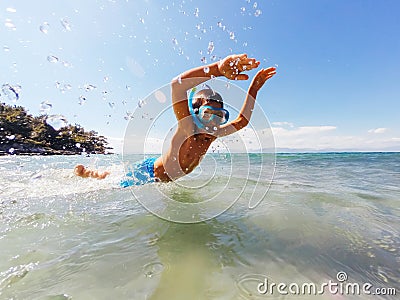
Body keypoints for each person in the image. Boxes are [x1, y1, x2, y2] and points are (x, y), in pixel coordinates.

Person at [74, 54, 276, 186]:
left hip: (161, 177)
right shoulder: (188, 127)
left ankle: (93, 173)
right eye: (207, 114)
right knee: (112, 184)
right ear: (195, 114)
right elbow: (177, 86)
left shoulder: (212, 135)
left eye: (220, 116)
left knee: (112, 178)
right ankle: (88, 173)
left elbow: (242, 121)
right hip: (148, 174)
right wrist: (217, 69)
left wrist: (254, 89)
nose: (214, 122)